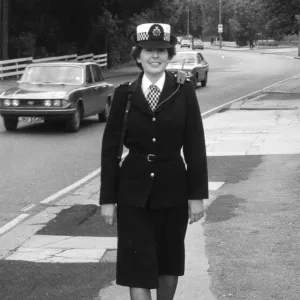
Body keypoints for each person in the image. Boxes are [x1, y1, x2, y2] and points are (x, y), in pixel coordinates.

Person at [100, 23, 208, 300]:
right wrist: (107, 200)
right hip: (132, 193)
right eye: (149, 50)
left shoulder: (183, 90)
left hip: (173, 189)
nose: (155, 56)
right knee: (137, 265)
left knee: (168, 261)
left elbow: (195, 145)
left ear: (169, 55)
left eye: (161, 50)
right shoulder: (123, 94)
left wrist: (197, 195)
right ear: (138, 56)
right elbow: (110, 150)